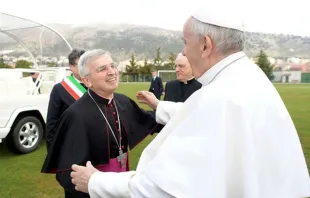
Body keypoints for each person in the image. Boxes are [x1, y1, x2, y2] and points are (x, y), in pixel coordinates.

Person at [70, 4, 310, 198]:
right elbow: (202, 116)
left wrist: (95, 182)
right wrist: (159, 105)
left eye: (185, 43)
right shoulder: (247, 76)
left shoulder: (219, 95)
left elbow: (162, 189)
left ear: (205, 45)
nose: (183, 53)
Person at [41, 49, 159, 198]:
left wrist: (175, 115)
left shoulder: (122, 101)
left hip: (121, 181)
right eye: (102, 69)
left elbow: (149, 119)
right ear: (87, 81)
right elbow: (68, 170)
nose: (112, 72)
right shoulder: (75, 115)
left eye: (112, 66)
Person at [46, 49, 86, 148]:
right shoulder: (59, 89)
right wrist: (53, 150)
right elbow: (52, 122)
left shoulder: (96, 86)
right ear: (71, 67)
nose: (85, 68)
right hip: (70, 143)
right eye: (81, 64)